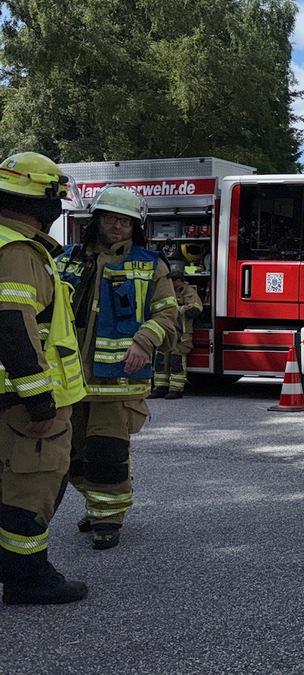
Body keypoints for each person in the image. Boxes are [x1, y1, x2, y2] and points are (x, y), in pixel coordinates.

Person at [57, 186, 178, 551]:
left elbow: (168, 314)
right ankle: (96, 504)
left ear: (135, 227)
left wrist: (145, 340)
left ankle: (107, 519)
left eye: (125, 221)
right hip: (70, 378)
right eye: (111, 218)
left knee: (107, 452)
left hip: (118, 382)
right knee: (67, 454)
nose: (118, 226)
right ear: (97, 220)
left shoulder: (149, 264)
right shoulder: (66, 258)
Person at [0, 152, 90, 604]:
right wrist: (39, 400)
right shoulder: (17, 251)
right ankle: (26, 579)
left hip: (8, 398)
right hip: (22, 404)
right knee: (30, 490)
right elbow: (13, 328)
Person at [149, 270, 203, 400]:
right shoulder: (167, 291)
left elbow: (196, 310)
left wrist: (176, 310)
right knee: (161, 359)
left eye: (171, 282)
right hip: (166, 332)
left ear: (178, 281)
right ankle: (160, 387)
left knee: (176, 360)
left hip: (182, 334)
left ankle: (175, 389)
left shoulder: (188, 292)